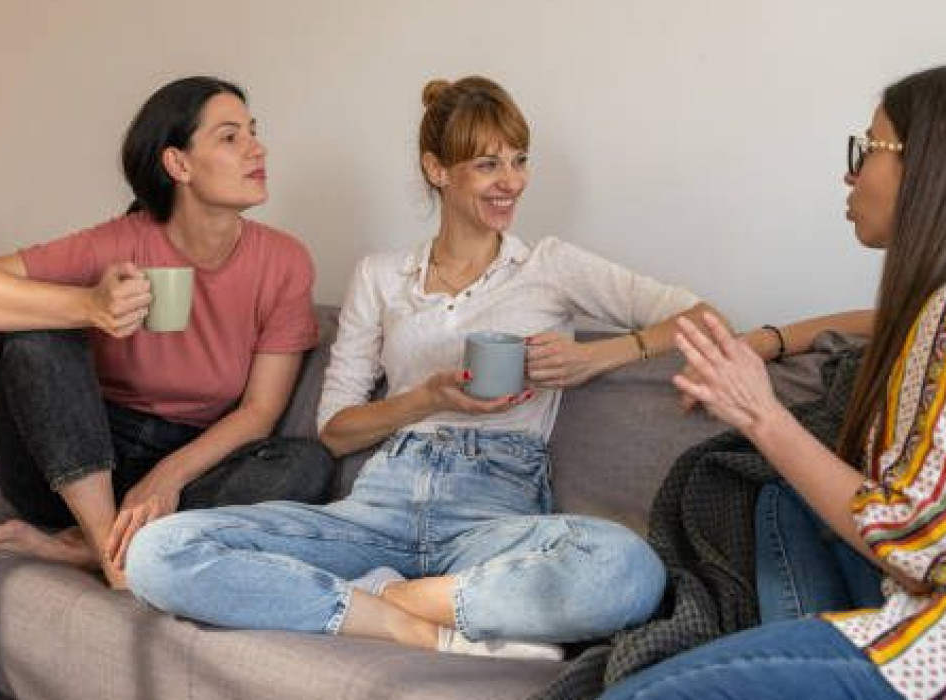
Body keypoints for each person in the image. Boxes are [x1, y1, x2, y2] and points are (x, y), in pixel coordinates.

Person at [125, 76, 722, 658]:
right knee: (160, 550)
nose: (510, 181)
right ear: (438, 170)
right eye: (489, 165)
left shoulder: (550, 266)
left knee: (628, 570)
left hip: (494, 513)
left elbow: (698, 315)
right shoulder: (380, 276)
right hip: (377, 508)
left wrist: (595, 356)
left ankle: (389, 598)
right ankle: (409, 626)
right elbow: (334, 431)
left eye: (519, 160)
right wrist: (428, 397)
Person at [601, 61, 946, 700]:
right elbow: (882, 321)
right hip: (906, 599)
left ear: (927, 167)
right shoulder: (941, 303)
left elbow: (926, 539)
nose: (850, 172)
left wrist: (762, 415)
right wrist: (773, 340)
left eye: (868, 149)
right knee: (780, 499)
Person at [0, 76, 333, 589]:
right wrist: (88, 305)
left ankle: (84, 549)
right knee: (28, 328)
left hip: (192, 459)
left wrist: (166, 478)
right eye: (231, 137)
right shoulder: (119, 242)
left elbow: (260, 411)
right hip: (77, 460)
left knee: (307, 465)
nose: (258, 148)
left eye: (254, 131)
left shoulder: (284, 260)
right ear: (178, 164)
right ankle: (110, 548)